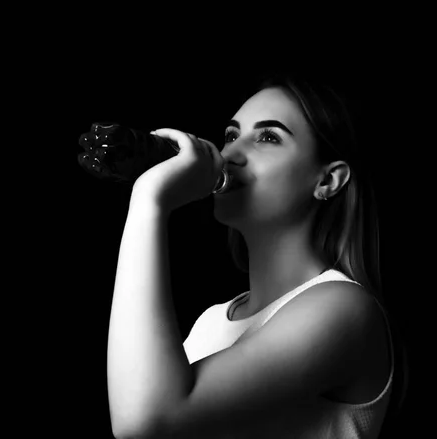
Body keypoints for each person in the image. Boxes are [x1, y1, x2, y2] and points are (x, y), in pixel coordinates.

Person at [106, 73, 407, 439]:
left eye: (268, 137)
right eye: (231, 135)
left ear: (328, 181)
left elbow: (145, 419)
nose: (229, 153)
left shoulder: (345, 309)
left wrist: (149, 201)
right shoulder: (211, 322)